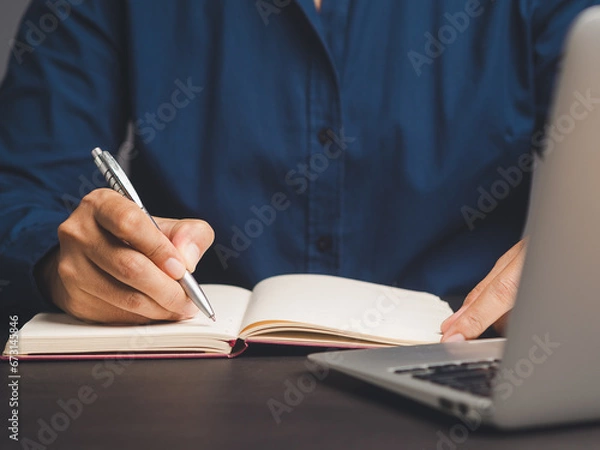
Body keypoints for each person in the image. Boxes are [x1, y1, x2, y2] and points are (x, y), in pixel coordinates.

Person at [0, 0, 596, 341]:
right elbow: (17, 186)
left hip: (463, 361)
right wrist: (57, 264)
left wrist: (581, 248)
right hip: (193, 377)